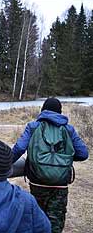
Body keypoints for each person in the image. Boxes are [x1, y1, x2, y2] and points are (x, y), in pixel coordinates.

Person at [12, 97, 89, 233]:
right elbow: (83, 154)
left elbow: (19, 148)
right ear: (60, 112)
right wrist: (64, 159)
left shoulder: (33, 126)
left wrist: (5, 162)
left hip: (37, 182)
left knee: (36, 220)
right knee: (56, 223)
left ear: (43, 110)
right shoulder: (68, 129)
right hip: (60, 184)